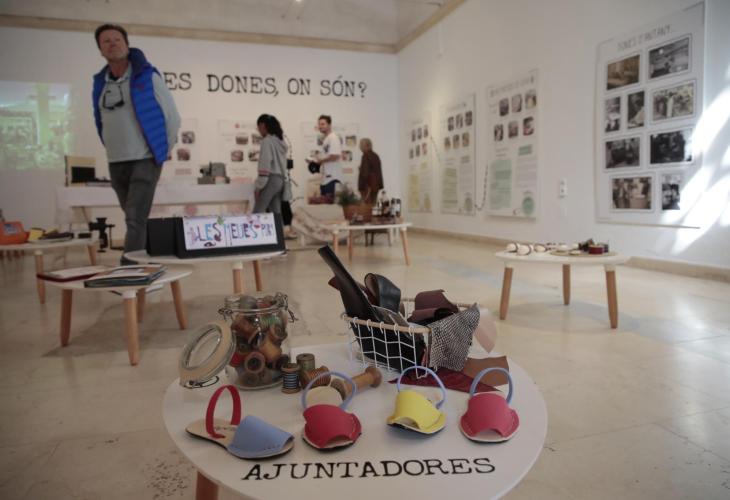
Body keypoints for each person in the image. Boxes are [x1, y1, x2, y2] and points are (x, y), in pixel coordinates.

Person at [92, 24, 180, 264]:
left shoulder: (147, 76)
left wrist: (162, 150)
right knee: (134, 218)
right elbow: (100, 120)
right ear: (100, 50)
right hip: (116, 160)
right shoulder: (100, 83)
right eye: (106, 41)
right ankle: (148, 260)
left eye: (117, 39)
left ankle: (129, 271)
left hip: (144, 159)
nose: (112, 44)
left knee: (134, 219)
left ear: (127, 44)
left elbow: (172, 117)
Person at [253, 114, 288, 214]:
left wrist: (258, 186)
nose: (259, 131)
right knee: (276, 213)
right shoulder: (280, 142)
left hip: (270, 180)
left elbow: (265, 164)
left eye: (258, 127)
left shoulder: (267, 141)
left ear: (263, 125)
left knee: (257, 212)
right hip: (280, 180)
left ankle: (254, 227)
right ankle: (279, 225)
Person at [313, 115, 342, 199]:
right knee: (324, 204)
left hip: (332, 179)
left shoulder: (333, 138)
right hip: (325, 179)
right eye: (319, 124)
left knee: (330, 205)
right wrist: (316, 160)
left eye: (323, 124)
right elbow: (328, 155)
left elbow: (335, 156)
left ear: (329, 125)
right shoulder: (326, 139)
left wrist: (321, 160)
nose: (320, 126)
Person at [357, 138, 383, 204]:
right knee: (373, 205)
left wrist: (361, 170)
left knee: (367, 206)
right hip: (376, 185)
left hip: (367, 186)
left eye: (361, 145)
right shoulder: (375, 156)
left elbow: (365, 173)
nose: (360, 147)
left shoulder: (365, 156)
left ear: (366, 146)